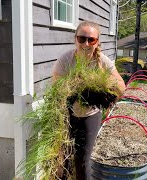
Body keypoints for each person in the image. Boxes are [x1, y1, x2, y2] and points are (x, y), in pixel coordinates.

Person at [52, 21, 126, 179]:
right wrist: (72, 88)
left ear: (97, 42)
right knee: (64, 158)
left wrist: (103, 85)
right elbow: (56, 88)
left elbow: (122, 87)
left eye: (91, 40)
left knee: (83, 161)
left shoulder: (103, 61)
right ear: (75, 39)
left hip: (90, 116)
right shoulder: (66, 60)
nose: (86, 43)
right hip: (66, 115)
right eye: (82, 38)